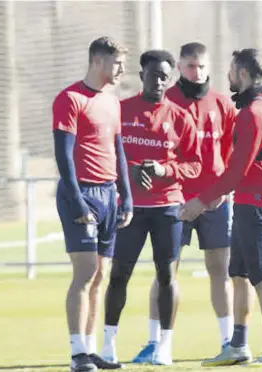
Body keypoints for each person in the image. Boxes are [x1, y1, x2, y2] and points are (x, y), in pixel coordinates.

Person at [180, 48, 262, 367]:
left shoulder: (254, 112)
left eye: (231, 70)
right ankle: (239, 345)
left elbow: (237, 169)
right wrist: (217, 195)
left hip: (258, 202)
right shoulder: (260, 106)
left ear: (242, 74)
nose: (227, 76)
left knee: (261, 277)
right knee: (239, 274)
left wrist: (203, 200)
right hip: (247, 201)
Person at [131, 42, 237, 364]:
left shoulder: (222, 103)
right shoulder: (168, 101)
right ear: (179, 67)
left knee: (219, 269)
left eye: (202, 66)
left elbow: (233, 154)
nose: (197, 72)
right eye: (190, 67)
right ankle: (157, 343)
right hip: (174, 200)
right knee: (167, 271)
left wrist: (219, 193)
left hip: (214, 201)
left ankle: (228, 342)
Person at [100, 49, 202, 366]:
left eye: (166, 76)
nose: (160, 81)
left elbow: (195, 165)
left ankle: (164, 347)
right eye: (155, 74)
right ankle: (108, 345)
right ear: (142, 73)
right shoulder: (121, 110)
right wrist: (130, 170)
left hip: (167, 209)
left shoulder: (181, 117)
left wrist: (164, 170)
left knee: (166, 277)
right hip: (130, 208)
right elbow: (107, 152)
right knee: (119, 276)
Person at [52, 36, 132, 372]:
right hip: (81, 194)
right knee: (85, 272)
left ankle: (91, 349)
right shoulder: (69, 99)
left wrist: (126, 195)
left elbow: (119, 151)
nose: (122, 69)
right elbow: (64, 155)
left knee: (101, 275)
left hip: (108, 195)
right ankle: (76, 354)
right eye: (116, 63)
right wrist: (76, 201)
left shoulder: (113, 102)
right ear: (98, 61)